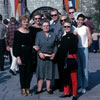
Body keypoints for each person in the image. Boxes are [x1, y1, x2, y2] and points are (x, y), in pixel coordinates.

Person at [34, 19, 59, 94]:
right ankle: (39, 88)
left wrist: (54, 53)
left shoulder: (53, 34)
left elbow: (55, 46)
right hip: (41, 55)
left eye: (47, 26)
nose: (46, 27)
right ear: (41, 27)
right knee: (41, 72)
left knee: (49, 72)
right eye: (44, 26)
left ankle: (48, 88)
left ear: (49, 26)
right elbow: (36, 45)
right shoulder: (39, 34)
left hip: (51, 55)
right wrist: (39, 53)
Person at [13, 15, 34, 96]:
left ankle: (28, 88)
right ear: (21, 22)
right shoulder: (17, 32)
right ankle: (23, 88)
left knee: (29, 72)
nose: (26, 23)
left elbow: (31, 43)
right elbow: (16, 45)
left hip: (29, 54)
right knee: (22, 72)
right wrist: (18, 57)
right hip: (21, 54)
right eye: (24, 22)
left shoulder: (29, 31)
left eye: (27, 21)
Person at [59, 20, 78, 100]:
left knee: (73, 77)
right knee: (65, 76)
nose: (66, 28)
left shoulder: (74, 37)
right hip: (64, 58)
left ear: (71, 27)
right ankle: (66, 92)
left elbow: (73, 49)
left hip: (71, 57)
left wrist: (64, 50)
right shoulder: (63, 37)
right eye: (65, 26)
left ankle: (74, 94)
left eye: (68, 26)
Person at [76, 14, 92, 94]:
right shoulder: (75, 29)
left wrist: (86, 47)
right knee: (79, 68)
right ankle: (80, 85)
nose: (80, 21)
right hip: (77, 49)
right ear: (77, 20)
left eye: (81, 20)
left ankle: (84, 86)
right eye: (79, 19)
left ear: (83, 20)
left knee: (84, 68)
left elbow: (90, 40)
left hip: (84, 49)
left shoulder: (86, 28)